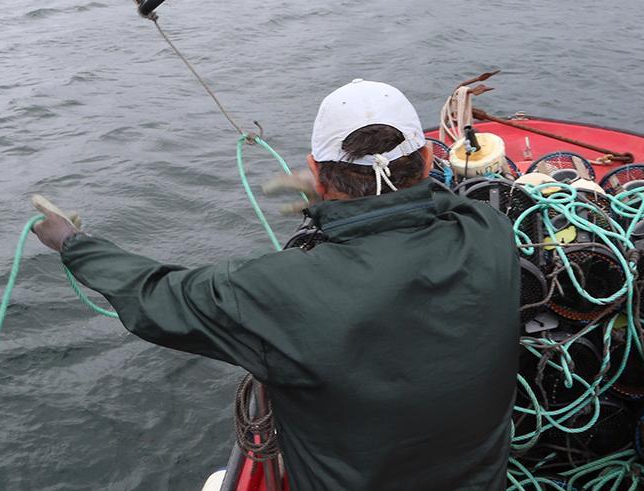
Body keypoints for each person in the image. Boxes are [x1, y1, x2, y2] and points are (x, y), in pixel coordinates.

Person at [30, 79, 520, 490]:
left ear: (315, 171)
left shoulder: (278, 291)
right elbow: (450, 201)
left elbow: (158, 295)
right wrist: (340, 194)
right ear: (431, 159)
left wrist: (73, 242)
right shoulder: (489, 234)